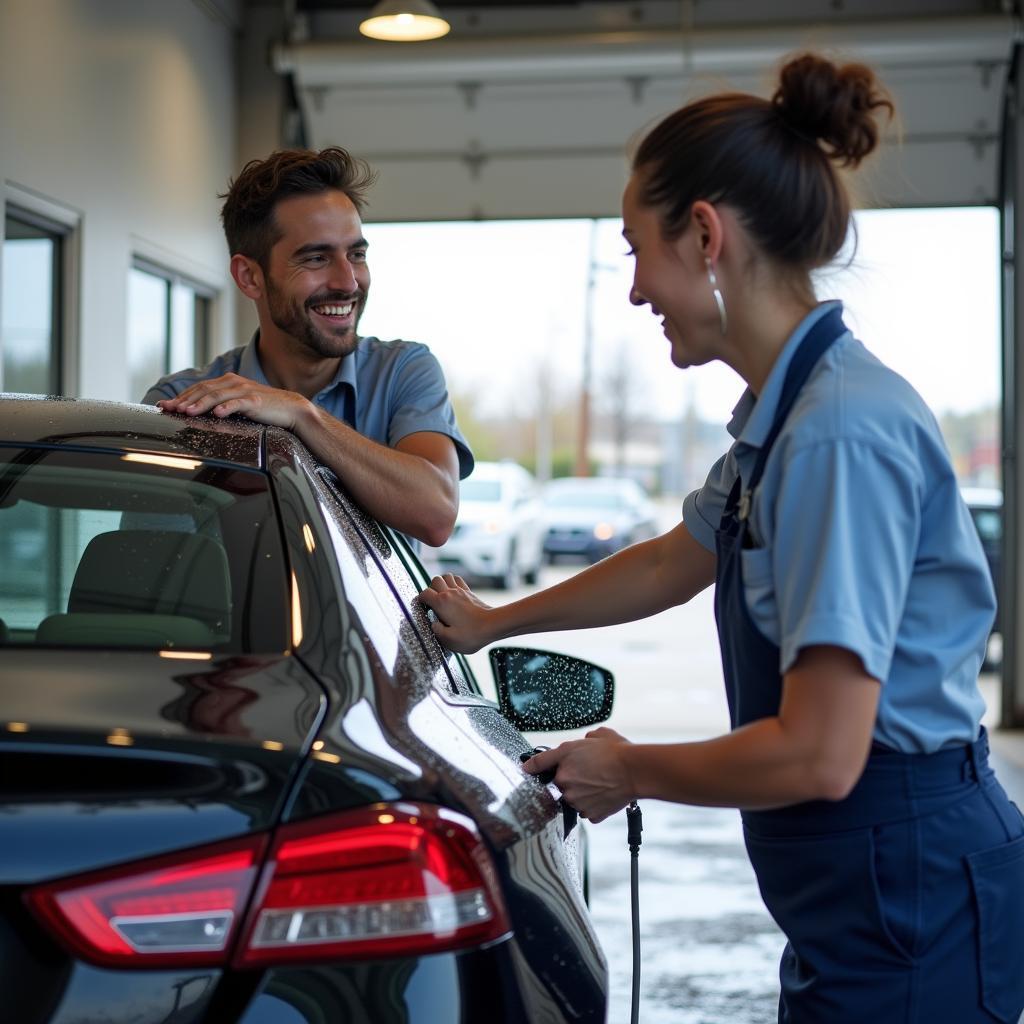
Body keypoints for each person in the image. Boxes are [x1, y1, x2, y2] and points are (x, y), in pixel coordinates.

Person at [418, 53, 1024, 1023]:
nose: (632, 292)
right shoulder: (780, 419)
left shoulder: (835, 432)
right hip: (859, 901)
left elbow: (820, 753)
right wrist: (493, 622)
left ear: (704, 236)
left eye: (633, 251)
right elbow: (675, 558)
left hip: (911, 891)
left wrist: (630, 764)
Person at [143, 147, 472, 547]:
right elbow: (156, 561)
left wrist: (303, 415)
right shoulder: (184, 402)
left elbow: (436, 514)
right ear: (250, 277)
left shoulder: (403, 370)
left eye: (357, 254)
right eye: (317, 258)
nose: (348, 282)